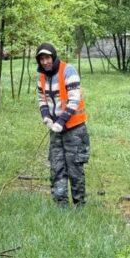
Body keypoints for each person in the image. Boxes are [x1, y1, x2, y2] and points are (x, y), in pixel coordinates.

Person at [35, 43, 90, 207]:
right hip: (56, 129)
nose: (45, 62)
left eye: (47, 58)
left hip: (74, 129)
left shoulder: (68, 71)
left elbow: (74, 99)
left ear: (53, 56)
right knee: (57, 165)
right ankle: (61, 205)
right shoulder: (42, 77)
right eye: (41, 59)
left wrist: (61, 121)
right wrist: (46, 117)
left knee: (74, 167)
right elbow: (41, 99)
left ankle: (79, 205)